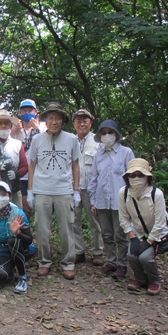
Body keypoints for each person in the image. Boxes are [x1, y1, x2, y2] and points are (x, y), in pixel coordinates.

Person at [27, 102, 80, 280]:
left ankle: (68, 263)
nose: (54, 121)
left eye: (57, 118)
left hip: (64, 190)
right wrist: (30, 190)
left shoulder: (72, 139)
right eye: (51, 118)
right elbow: (32, 165)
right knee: (42, 229)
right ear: (45, 120)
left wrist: (76, 190)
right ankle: (44, 262)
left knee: (66, 229)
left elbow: (75, 165)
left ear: (63, 120)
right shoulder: (37, 140)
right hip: (42, 189)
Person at [87, 120, 135, 279]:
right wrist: (93, 201)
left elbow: (132, 177)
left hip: (119, 202)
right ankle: (111, 261)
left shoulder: (126, 153)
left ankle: (122, 265)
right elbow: (93, 178)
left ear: (117, 134)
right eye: (104, 133)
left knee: (120, 235)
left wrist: (130, 201)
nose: (107, 136)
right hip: (101, 201)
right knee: (107, 234)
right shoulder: (98, 155)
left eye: (110, 132)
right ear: (100, 135)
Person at [118, 159, 168, 295]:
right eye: (132, 175)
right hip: (138, 231)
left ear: (147, 176)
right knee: (131, 255)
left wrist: (149, 242)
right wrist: (132, 237)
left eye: (140, 175)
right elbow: (123, 218)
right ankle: (140, 278)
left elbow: (160, 222)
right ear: (127, 177)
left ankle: (156, 280)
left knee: (145, 257)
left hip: (158, 233)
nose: (136, 178)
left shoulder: (156, 194)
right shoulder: (124, 193)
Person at [0, 182, 34, 294]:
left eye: (4, 194)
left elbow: (29, 240)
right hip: (2, 250)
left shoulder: (18, 213)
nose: (0, 197)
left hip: (23, 248)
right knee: (2, 277)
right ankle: (12, 265)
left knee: (12, 241)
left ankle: (22, 277)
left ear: (9, 196)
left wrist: (18, 233)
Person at [71, 108, 105, 266]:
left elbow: (103, 167)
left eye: (85, 121)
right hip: (72, 188)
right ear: (74, 124)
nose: (82, 124)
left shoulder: (98, 142)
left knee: (95, 221)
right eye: (78, 121)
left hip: (92, 189)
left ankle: (97, 251)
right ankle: (79, 251)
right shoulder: (69, 140)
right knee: (74, 221)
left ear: (90, 123)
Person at [13, 99, 44, 217]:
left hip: (38, 174)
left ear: (36, 111)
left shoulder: (43, 126)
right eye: (24, 110)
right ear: (19, 112)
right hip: (21, 174)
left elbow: (47, 144)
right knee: (24, 208)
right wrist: (14, 130)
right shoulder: (16, 129)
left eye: (30, 110)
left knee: (40, 208)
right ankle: (27, 233)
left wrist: (37, 129)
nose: (27, 113)